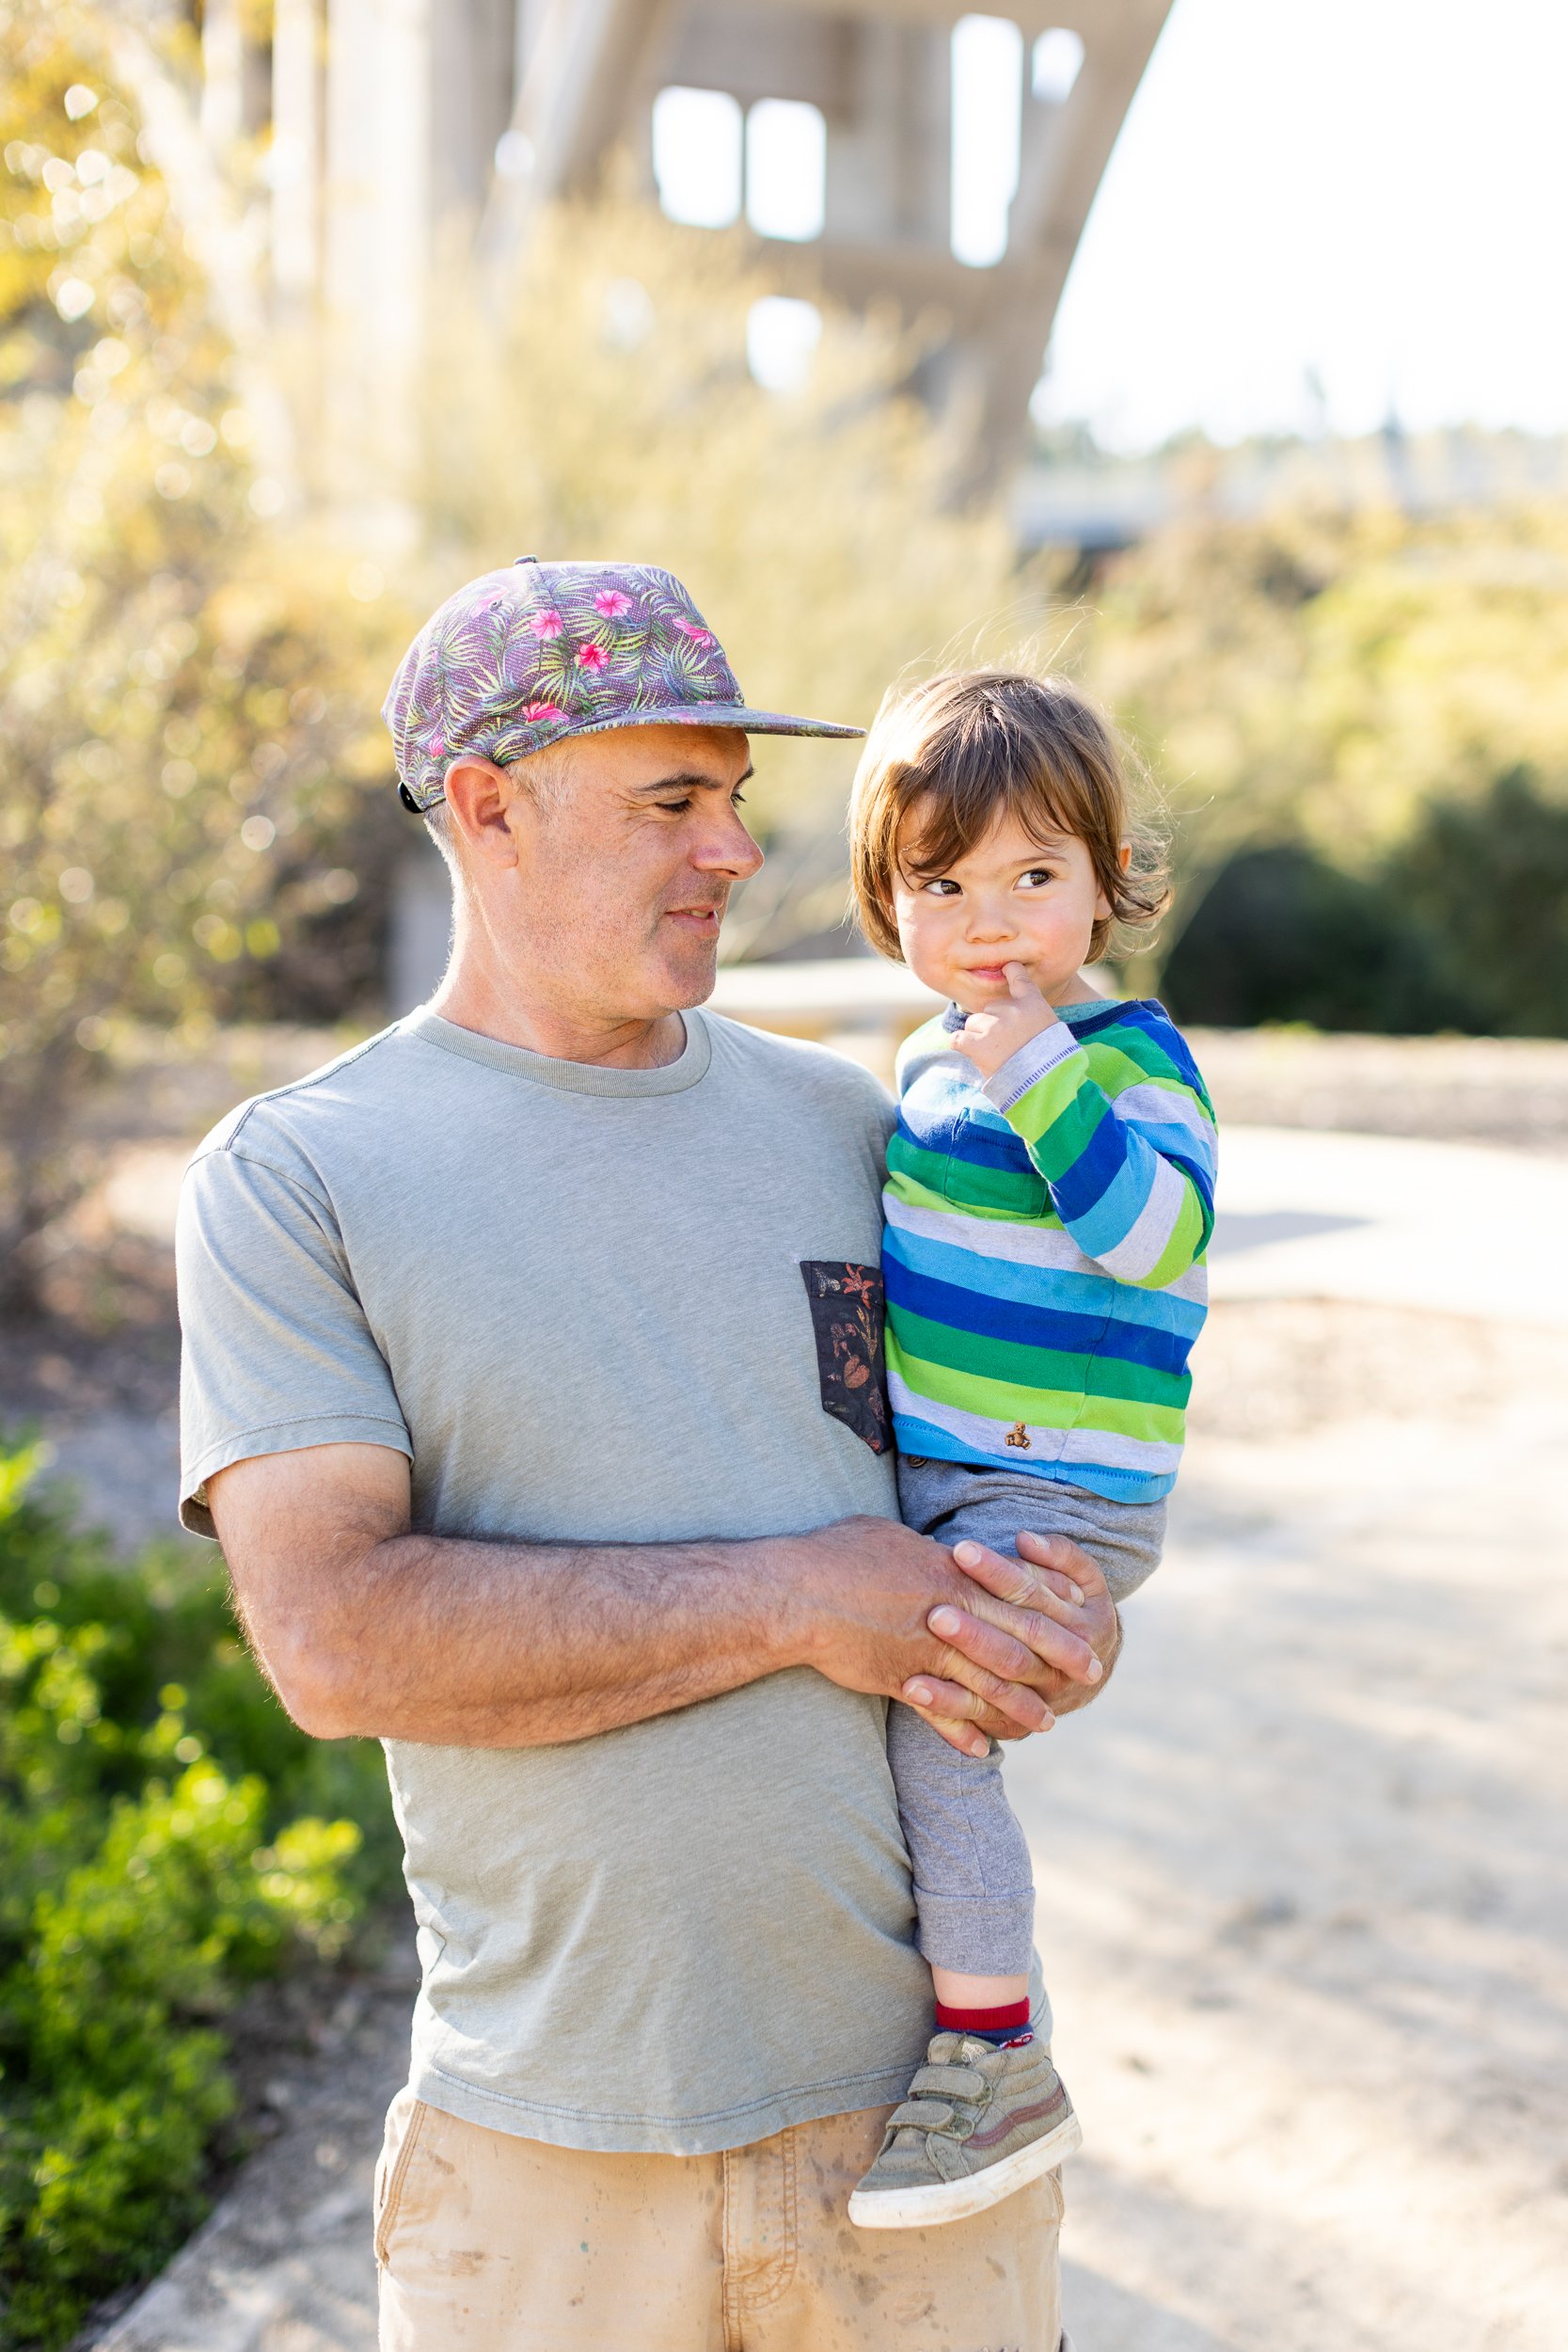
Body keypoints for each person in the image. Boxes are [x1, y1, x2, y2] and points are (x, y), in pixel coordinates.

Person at [175, 559, 1119, 2352]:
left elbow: (1022, 1467)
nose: (734, 853)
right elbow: (331, 1643)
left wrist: (1048, 1611)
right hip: (545, 2162)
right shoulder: (301, 1177)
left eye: (736, 803)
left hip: (926, 2127)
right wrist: (795, 1600)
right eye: (674, 801)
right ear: (486, 808)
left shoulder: (867, 1127)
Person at [843, 672, 1215, 2231]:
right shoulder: (930, 1057)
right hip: (955, 1464)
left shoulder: (1126, 1059)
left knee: (942, 1730)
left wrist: (1043, 1075)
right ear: (890, 903)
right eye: (944, 884)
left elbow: (1152, 1237)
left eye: (1035, 878)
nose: (991, 921)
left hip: (1052, 1479)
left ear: (1105, 886)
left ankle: (996, 2053)